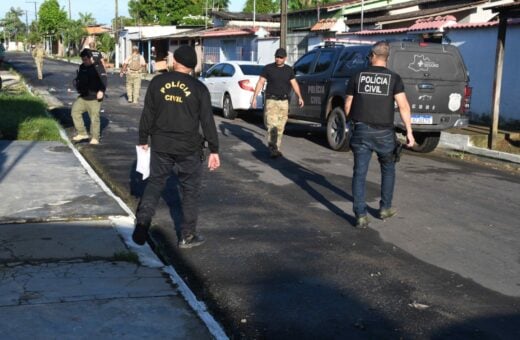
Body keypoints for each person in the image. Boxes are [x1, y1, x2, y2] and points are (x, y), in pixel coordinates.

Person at [132, 45, 220, 249]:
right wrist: (214, 150)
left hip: (161, 144)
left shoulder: (158, 82)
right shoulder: (199, 89)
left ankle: (143, 222)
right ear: (192, 66)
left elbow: (148, 114)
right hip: (189, 147)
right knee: (190, 191)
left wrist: (143, 139)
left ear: (176, 61)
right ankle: (187, 236)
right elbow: (207, 122)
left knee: (155, 183)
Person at [344, 41, 415, 228]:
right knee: (388, 168)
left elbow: (348, 104)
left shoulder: (358, 76)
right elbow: (403, 106)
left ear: (372, 56)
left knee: (359, 172)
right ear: (387, 58)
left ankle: (360, 215)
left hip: (361, 129)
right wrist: (409, 132)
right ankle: (385, 208)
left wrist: (350, 123)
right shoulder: (394, 78)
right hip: (384, 132)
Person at [251, 48, 304, 158]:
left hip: (284, 102)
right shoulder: (268, 68)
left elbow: (294, 84)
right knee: (272, 126)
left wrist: (300, 97)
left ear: (285, 58)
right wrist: (254, 97)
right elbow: (261, 82)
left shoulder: (289, 70)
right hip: (271, 101)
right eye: (277, 57)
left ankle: (276, 147)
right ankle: (273, 149)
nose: (278, 59)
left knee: (281, 127)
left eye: (280, 57)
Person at [71, 49, 107, 145]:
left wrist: (101, 91)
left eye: (86, 59)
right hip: (83, 96)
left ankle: (95, 137)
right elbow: (79, 78)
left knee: (94, 118)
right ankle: (82, 133)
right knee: (75, 111)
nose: (84, 62)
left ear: (91, 58)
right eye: (83, 60)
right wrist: (76, 83)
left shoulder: (98, 66)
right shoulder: (82, 67)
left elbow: (104, 80)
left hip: (94, 98)